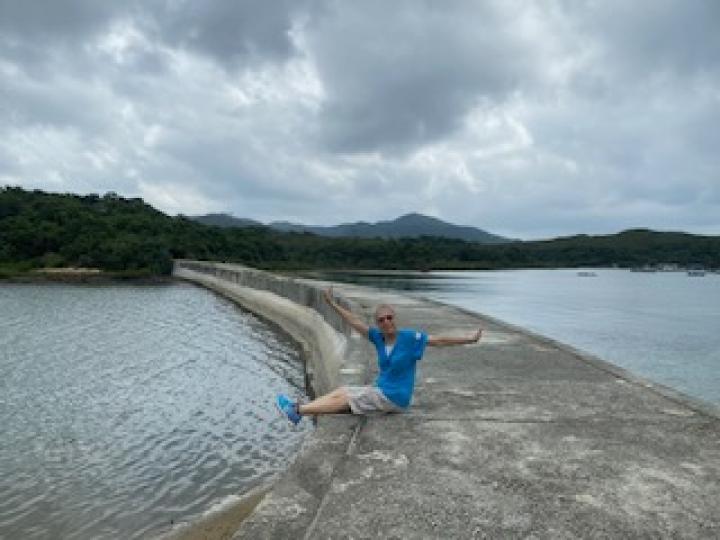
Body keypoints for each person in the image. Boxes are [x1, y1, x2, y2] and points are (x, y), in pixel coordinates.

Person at [276, 286, 482, 425]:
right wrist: (332, 304)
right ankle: (300, 410)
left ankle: (298, 410)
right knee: (343, 390)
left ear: (395, 318)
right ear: (378, 324)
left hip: (394, 397)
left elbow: (439, 341)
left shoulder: (410, 338)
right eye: (381, 320)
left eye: (389, 318)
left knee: (348, 398)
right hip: (381, 391)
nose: (386, 322)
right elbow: (354, 321)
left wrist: (469, 339)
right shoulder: (378, 338)